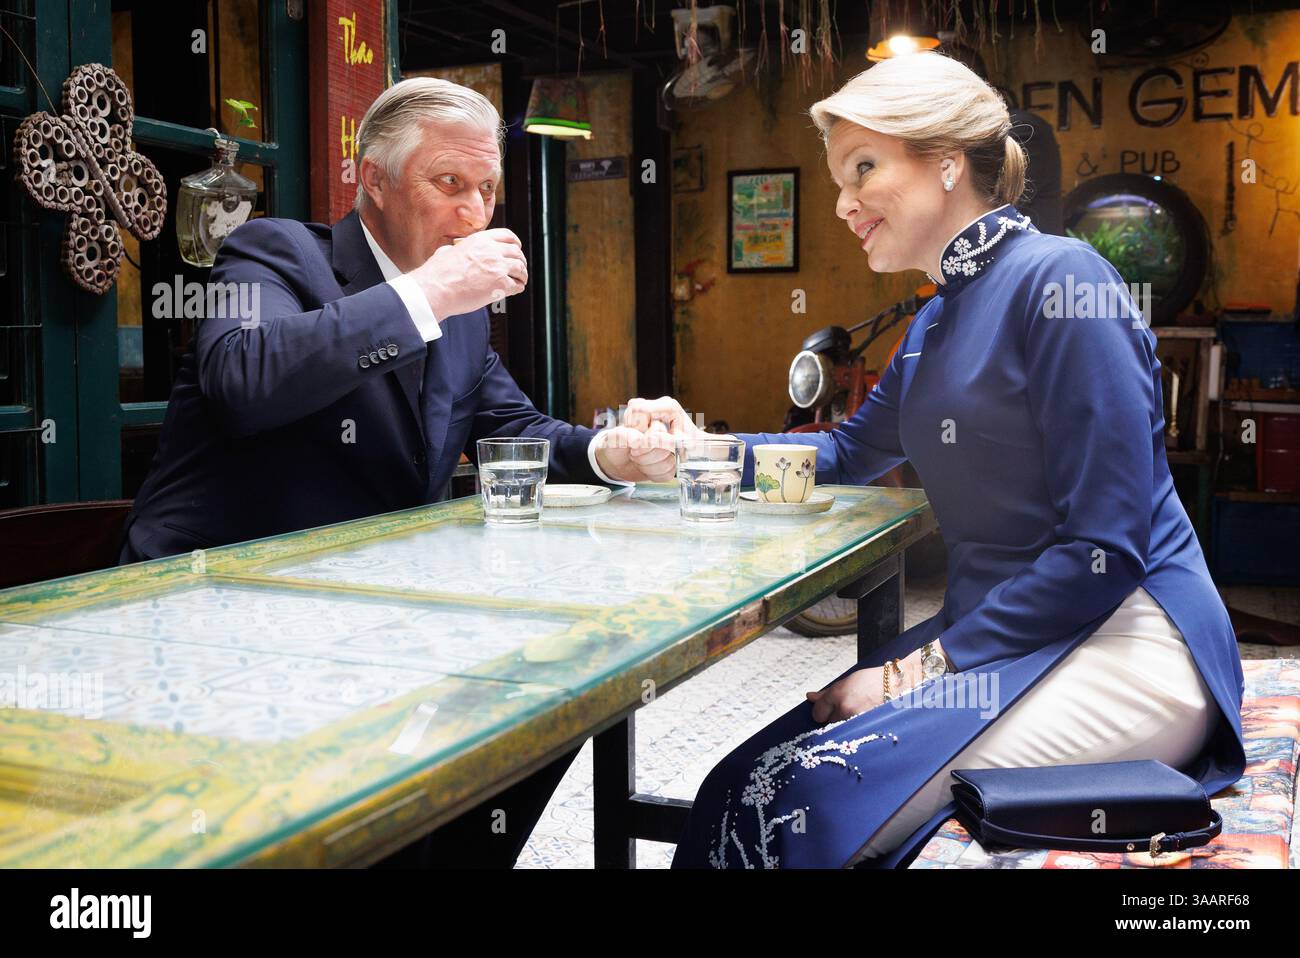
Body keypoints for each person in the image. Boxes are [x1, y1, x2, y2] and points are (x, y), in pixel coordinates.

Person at [627, 51, 1246, 869]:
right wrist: (696, 454)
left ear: (948, 161)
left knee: (798, 798)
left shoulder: (1065, 282)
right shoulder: (934, 324)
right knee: (735, 780)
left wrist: (915, 670)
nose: (843, 204)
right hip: (1002, 635)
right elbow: (847, 452)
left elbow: (1107, 550)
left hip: (1125, 639)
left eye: (863, 168)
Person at [118, 77, 677, 867]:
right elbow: (244, 380)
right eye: (449, 183)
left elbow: (512, 427)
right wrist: (430, 292)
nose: (475, 213)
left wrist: (609, 451)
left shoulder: (459, 317)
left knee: (556, 694)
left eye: (486, 189)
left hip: (371, 626)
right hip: (218, 624)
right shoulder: (271, 251)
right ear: (370, 180)